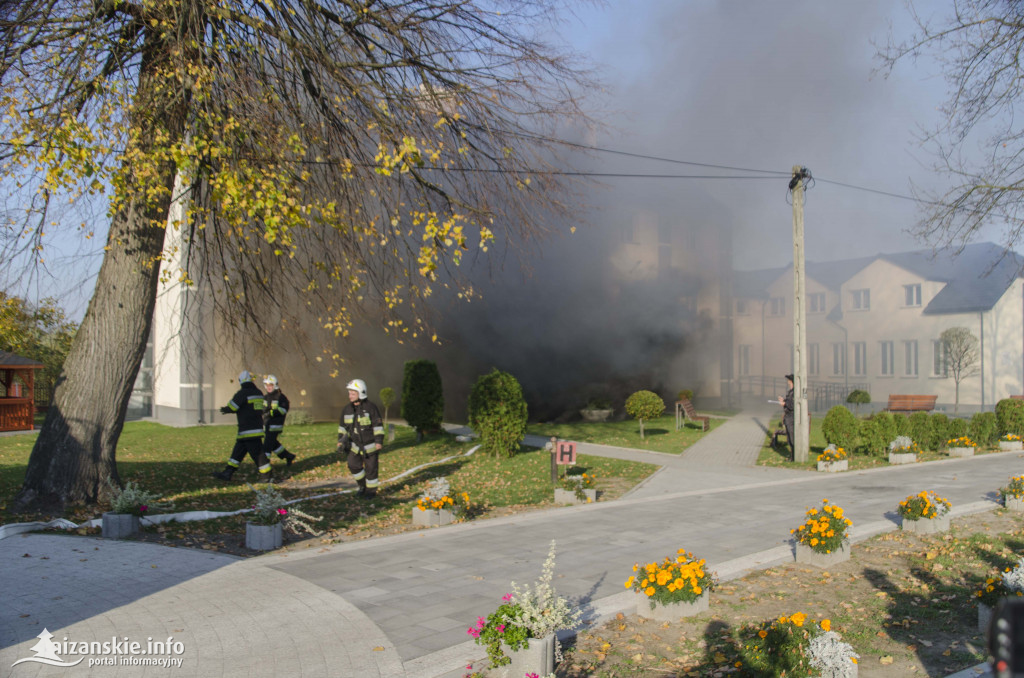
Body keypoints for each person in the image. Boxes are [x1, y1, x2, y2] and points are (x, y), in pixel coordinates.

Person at [212, 370, 272, 482]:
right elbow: (261, 408)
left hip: (247, 430)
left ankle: (267, 476)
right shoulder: (258, 392)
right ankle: (228, 472)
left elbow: (233, 406)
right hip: (255, 428)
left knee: (258, 454)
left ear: (241, 381)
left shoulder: (243, 393)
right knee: (237, 452)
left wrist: (226, 409)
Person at [337, 378, 384, 498]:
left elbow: (377, 426)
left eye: (353, 393)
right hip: (355, 446)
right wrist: (340, 441)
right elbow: (342, 427)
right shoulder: (347, 409)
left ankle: (371, 492)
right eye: (349, 393)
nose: (350, 396)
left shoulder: (371, 408)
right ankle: (363, 486)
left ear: (361, 393)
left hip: (370, 446)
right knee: (353, 465)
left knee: (371, 470)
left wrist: (378, 441)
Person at [262, 374, 297, 467]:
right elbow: (262, 409)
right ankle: (288, 456)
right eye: (267, 385)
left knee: (267, 445)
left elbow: (284, 409)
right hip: (267, 425)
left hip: (275, 425)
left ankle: (264, 464)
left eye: (271, 385)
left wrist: (271, 413)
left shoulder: (281, 397)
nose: (268, 387)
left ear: (275, 385)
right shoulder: (265, 397)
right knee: (273, 444)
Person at [776, 373, 795, 460]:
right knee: (789, 437)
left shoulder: (794, 392)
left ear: (792, 382)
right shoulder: (791, 392)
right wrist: (783, 401)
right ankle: (792, 455)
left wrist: (784, 403)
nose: (788, 382)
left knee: (791, 438)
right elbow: (789, 403)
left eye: (789, 380)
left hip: (791, 418)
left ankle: (794, 456)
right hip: (788, 417)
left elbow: (792, 405)